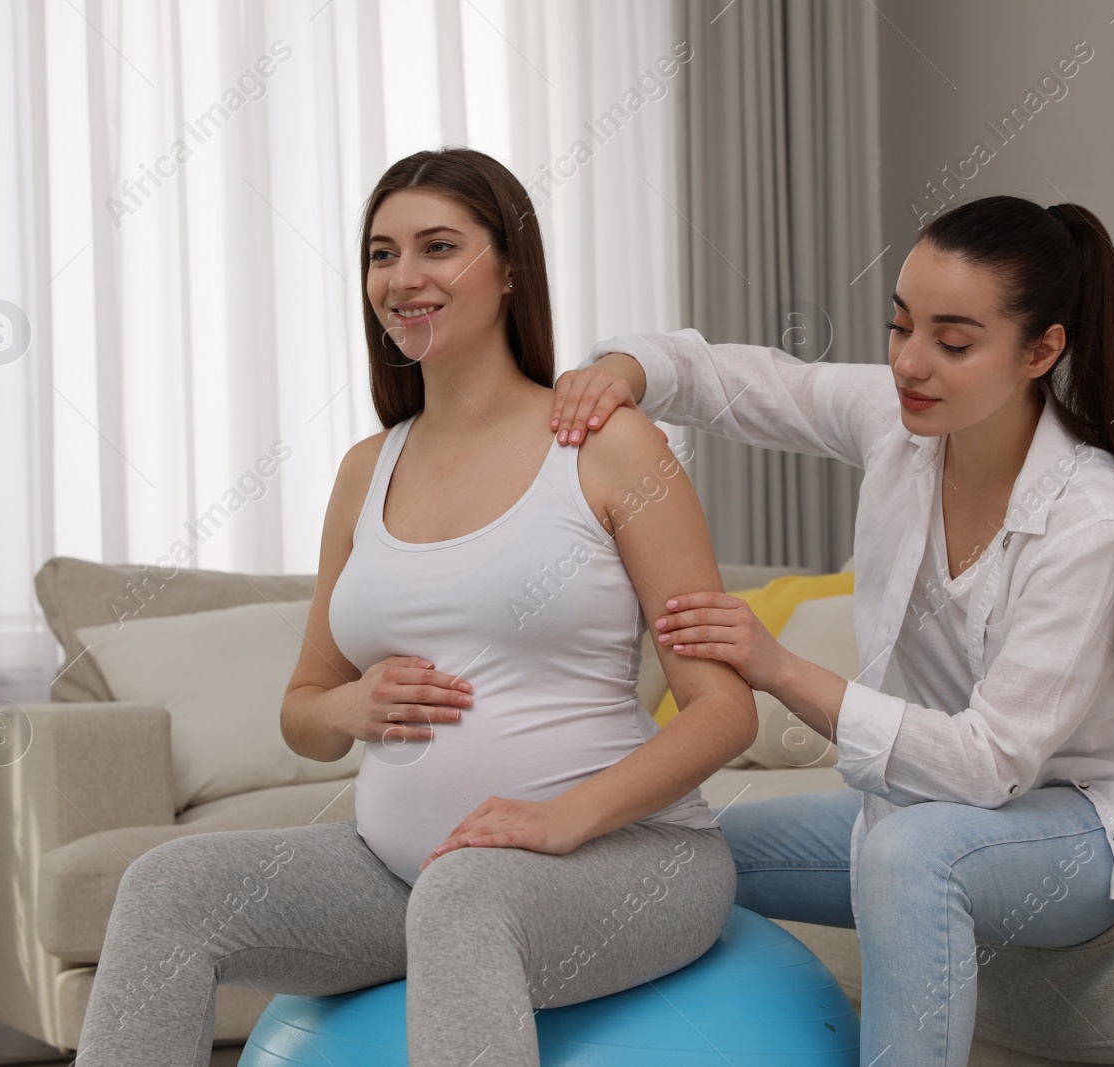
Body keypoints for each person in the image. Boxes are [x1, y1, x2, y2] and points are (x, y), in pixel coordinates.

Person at [74, 147, 755, 1067]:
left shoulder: (609, 446)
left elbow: (724, 710)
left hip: (627, 860)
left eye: (438, 247)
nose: (403, 278)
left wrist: (565, 818)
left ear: (510, 267)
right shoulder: (368, 468)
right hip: (404, 874)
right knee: (165, 890)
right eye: (381, 254)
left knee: (467, 898)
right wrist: (345, 707)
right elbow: (304, 711)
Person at [549, 195, 1114, 1066]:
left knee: (912, 851)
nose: (910, 363)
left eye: (953, 342)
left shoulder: (1088, 514)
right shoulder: (901, 424)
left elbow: (988, 763)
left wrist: (778, 667)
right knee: (681, 847)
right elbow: (738, 381)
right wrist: (621, 369)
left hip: (1089, 822)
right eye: (900, 325)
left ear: (1042, 350)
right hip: (935, 803)